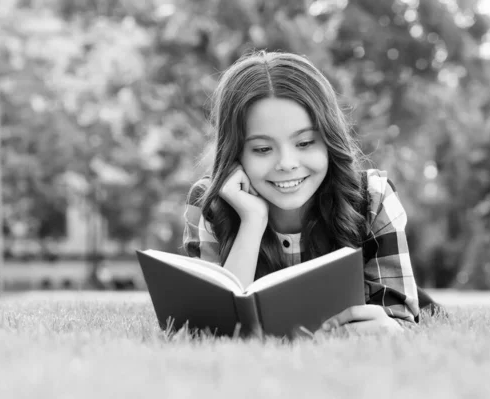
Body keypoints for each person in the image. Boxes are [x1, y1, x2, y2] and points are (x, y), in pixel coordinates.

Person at [183, 51, 432, 335]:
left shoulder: (372, 198)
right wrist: (252, 221)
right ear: (235, 154)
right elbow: (215, 329)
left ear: (328, 140)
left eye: (304, 143)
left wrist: (392, 330)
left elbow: (402, 322)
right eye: (262, 149)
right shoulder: (210, 203)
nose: (287, 163)